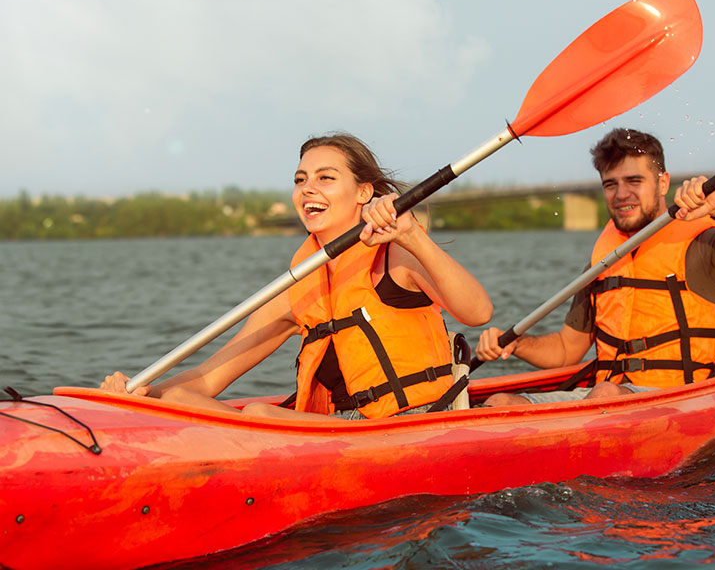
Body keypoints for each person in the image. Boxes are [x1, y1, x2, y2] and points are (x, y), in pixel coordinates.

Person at [101, 132, 493, 419]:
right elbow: (207, 377)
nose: (308, 189)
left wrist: (412, 236)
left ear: (363, 193)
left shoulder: (397, 256)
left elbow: (478, 312)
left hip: (414, 421)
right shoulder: (299, 287)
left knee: (259, 413)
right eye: (300, 179)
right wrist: (138, 395)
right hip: (340, 432)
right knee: (178, 400)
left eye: (325, 178)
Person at [476, 128, 715, 405]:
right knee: (499, 402)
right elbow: (566, 351)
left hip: (679, 398)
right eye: (610, 184)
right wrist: (517, 343)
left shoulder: (701, 244)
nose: (621, 194)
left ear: (662, 183)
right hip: (609, 397)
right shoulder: (606, 256)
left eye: (634, 181)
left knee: (604, 395)